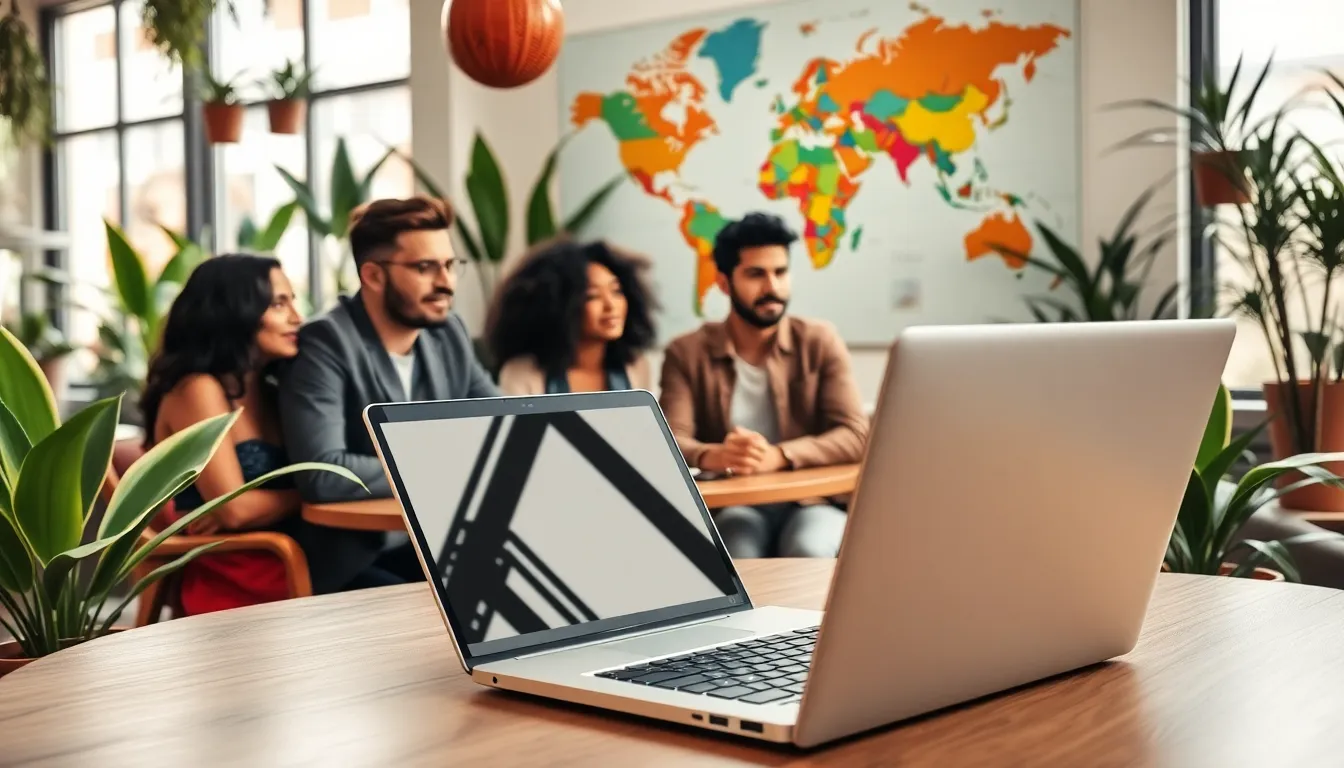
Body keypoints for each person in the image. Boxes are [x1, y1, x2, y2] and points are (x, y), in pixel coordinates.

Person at [279, 196, 499, 593]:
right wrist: (440, 464)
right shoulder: (326, 343)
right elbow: (323, 474)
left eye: (450, 265)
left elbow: (504, 426)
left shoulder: (448, 334)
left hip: (437, 545)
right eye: (424, 267)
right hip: (355, 561)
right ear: (374, 276)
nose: (445, 283)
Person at [658, 212, 869, 559]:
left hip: (812, 501)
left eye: (781, 272)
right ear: (724, 283)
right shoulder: (687, 352)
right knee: (737, 549)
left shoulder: (819, 340)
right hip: (734, 505)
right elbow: (670, 442)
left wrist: (780, 456)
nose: (772, 287)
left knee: (809, 547)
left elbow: (856, 435)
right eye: (756, 274)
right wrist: (714, 455)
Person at [140, 254, 306, 615]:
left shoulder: (270, 387)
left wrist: (267, 503)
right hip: (236, 572)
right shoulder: (197, 389)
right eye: (279, 303)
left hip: (289, 553)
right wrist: (310, 495)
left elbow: (241, 506)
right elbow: (234, 511)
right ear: (235, 311)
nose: (298, 317)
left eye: (293, 301)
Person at [487, 238, 657, 395]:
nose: (611, 306)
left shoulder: (636, 367)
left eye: (616, 291)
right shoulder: (522, 374)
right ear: (559, 306)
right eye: (593, 296)